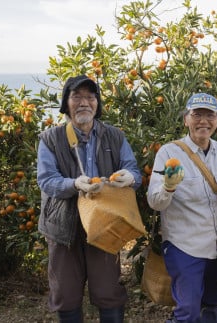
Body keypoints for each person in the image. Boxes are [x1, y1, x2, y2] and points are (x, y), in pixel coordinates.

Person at [37, 75, 142, 323]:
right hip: (64, 227)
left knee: (109, 292)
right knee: (65, 293)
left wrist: (130, 177)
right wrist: (73, 184)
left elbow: (133, 170)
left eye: (90, 96)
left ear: (97, 103)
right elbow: (46, 179)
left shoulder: (114, 136)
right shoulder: (50, 139)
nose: (84, 102)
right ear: (66, 103)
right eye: (77, 96)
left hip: (105, 224)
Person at [147, 93, 217, 323]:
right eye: (197, 114)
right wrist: (168, 187)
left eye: (209, 115)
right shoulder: (169, 153)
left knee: (212, 305)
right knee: (188, 311)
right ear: (186, 119)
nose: (203, 121)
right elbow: (154, 200)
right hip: (185, 245)